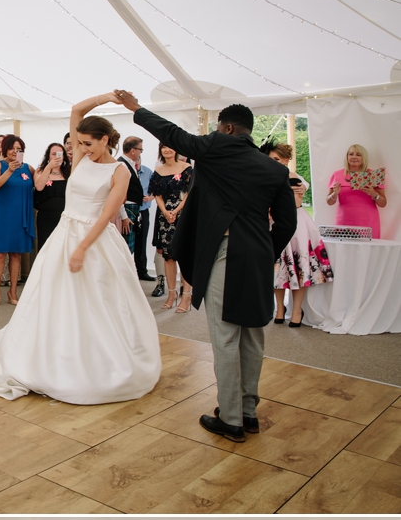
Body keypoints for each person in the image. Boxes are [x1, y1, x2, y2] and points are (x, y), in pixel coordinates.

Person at [116, 90, 297, 442]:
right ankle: (248, 410)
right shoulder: (275, 170)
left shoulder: (215, 146)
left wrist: (136, 109)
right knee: (253, 333)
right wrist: (266, 251)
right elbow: (286, 224)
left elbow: (171, 133)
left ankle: (230, 419)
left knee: (225, 334)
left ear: (227, 128)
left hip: (226, 252)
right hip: (258, 253)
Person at [0, 94, 162, 404]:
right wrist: (110, 97)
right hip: (63, 234)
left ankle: (98, 361)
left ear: (106, 140)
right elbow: (77, 109)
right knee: (52, 298)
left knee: (98, 301)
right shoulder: (80, 159)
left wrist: (81, 248)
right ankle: (50, 356)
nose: (81, 149)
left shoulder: (120, 171)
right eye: (79, 143)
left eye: (88, 144)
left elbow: (108, 214)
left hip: (96, 240)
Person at [265, 144, 332, 326]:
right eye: (270, 159)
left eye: (277, 159)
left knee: (299, 266)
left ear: (286, 161)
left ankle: (297, 310)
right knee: (276, 268)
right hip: (271, 224)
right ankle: (279, 308)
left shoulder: (293, 178)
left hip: (295, 225)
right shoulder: (263, 176)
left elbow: (293, 203)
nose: (273, 163)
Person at [0, 135, 35, 305]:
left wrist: (52, 172)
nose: (15, 151)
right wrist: (10, 171)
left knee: (16, 254)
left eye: (19, 149)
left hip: (20, 215)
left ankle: (13, 291)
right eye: (12, 148)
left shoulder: (28, 168)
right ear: (5, 149)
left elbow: (43, 183)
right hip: (1, 215)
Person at [148, 145, 194, 311]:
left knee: (185, 255)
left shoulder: (187, 168)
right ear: (160, 150)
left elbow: (190, 193)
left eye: (170, 147)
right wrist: (166, 212)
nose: (167, 150)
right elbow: (156, 195)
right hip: (165, 216)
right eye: (164, 147)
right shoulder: (159, 171)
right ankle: (172, 293)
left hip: (183, 214)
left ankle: (187, 296)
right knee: (168, 256)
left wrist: (175, 210)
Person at [326, 144, 386, 238]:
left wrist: (374, 194)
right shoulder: (337, 175)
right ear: (347, 157)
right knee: (345, 251)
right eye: (351, 154)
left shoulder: (373, 175)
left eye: (358, 154)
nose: (354, 157)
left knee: (368, 251)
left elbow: (383, 203)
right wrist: (334, 193)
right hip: (344, 221)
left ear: (364, 158)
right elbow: (329, 202)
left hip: (368, 221)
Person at [119, 137, 155, 281]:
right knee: (126, 246)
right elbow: (119, 193)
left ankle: (135, 273)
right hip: (127, 210)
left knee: (135, 245)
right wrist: (124, 216)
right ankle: (125, 278)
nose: (141, 153)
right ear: (133, 150)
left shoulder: (130, 165)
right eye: (140, 149)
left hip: (137, 210)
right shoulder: (122, 165)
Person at [33, 142, 70, 252]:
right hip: (46, 218)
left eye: (59, 154)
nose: (56, 156)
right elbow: (39, 187)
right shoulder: (40, 171)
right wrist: (49, 167)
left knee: (63, 248)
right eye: (53, 154)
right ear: (48, 155)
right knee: (46, 247)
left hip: (65, 216)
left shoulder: (68, 172)